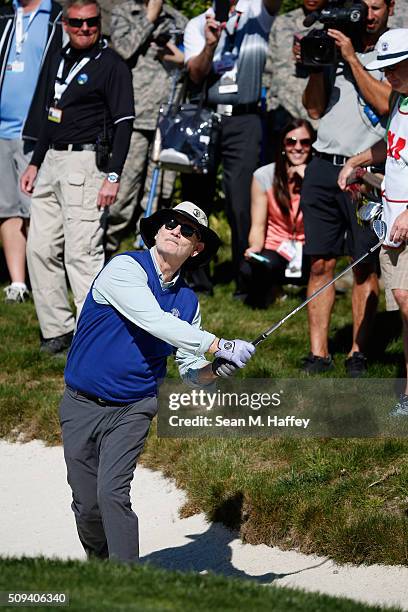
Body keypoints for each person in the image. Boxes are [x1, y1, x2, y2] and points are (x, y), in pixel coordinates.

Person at [59, 201, 255, 563]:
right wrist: (220, 344)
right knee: (86, 506)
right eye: (170, 223)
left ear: (198, 247)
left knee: (112, 495)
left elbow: (191, 371)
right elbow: (153, 320)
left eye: (187, 230)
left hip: (133, 406)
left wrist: (215, 370)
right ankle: (100, 566)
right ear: (159, 229)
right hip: (81, 402)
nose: (175, 230)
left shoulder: (188, 301)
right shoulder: (124, 267)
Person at [20, 0, 134, 355]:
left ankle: (92, 339)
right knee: (38, 249)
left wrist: (113, 175)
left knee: (82, 255)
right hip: (52, 159)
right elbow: (50, 116)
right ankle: (57, 330)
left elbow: (125, 123)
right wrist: (35, 162)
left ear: (99, 23)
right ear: (65, 24)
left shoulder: (112, 64)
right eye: (77, 23)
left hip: (87, 164)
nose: (85, 28)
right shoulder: (59, 57)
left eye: (92, 23)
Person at [300, 0, 395, 377]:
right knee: (320, 261)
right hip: (323, 166)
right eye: (363, 7)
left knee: (363, 265)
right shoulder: (333, 48)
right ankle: (318, 353)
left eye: (376, 7)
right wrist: (316, 65)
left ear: (390, 8)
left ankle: (358, 351)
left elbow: (387, 105)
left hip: (367, 170)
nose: (369, 15)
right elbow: (313, 109)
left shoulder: (394, 50)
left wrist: (353, 59)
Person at [183, 0, 281, 298]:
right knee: (197, 198)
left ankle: (246, 278)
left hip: (246, 117)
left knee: (241, 201)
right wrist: (211, 45)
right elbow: (196, 75)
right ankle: (197, 279)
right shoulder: (198, 24)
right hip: (208, 114)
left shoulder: (257, 12)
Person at [338, 29, 408, 413]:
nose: (386, 76)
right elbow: (392, 145)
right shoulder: (400, 99)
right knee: (402, 302)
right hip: (392, 220)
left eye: (393, 67)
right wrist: (356, 161)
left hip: (407, 218)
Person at [106, 0, 187, 255]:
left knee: (160, 198)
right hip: (135, 117)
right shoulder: (124, 12)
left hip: (168, 121)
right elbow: (122, 51)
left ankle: (150, 258)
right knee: (122, 197)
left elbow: (191, 61)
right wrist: (149, 18)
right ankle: (103, 254)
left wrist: (180, 56)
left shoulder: (178, 20)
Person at [0, 0, 63, 303]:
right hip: (1, 133)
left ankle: (45, 284)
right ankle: (17, 283)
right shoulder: (5, 13)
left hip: (36, 133)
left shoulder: (57, 16)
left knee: (37, 211)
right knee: (8, 209)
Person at [244, 119, 315, 308]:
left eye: (305, 142)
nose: (298, 147)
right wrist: (255, 247)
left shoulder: (318, 176)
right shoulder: (264, 176)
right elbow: (258, 225)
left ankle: (312, 292)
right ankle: (274, 289)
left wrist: (308, 181)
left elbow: (322, 221)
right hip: (277, 245)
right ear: (283, 145)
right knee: (252, 266)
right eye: (291, 142)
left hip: (310, 245)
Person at [264, 0, 325, 134]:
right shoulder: (282, 22)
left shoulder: (330, 25)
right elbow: (269, 69)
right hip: (279, 111)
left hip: (313, 116)